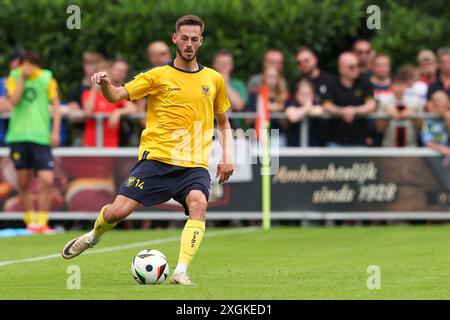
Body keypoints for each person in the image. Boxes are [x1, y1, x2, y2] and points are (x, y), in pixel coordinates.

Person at [61, 15, 234, 286]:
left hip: (193, 164)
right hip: (157, 160)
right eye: (184, 38)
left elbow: (223, 123)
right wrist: (105, 83)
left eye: (194, 39)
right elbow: (117, 96)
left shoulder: (213, 79)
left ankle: (181, 271)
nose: (189, 44)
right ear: (174, 38)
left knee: (199, 204)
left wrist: (226, 157)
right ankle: (92, 237)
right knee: (116, 213)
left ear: (201, 41)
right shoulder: (157, 75)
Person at [5, 51, 61, 232]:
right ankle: (30, 222)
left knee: (47, 179)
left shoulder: (47, 79)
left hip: (41, 137)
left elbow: (57, 107)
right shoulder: (13, 78)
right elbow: (14, 101)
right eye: (24, 64)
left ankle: (42, 222)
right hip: (18, 136)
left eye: (31, 64)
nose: (27, 67)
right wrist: (21, 77)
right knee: (23, 182)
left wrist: (55, 132)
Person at [322, 52, 376, 146]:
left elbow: (371, 104)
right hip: (336, 140)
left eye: (357, 65)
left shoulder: (364, 82)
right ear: (341, 69)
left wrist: (354, 111)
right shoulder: (331, 83)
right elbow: (327, 105)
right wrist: (342, 111)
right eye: (351, 67)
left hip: (359, 140)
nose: (356, 69)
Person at [292, 47, 335, 146]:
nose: (303, 64)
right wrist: (309, 108)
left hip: (327, 140)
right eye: (299, 62)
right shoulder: (294, 83)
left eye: (306, 60)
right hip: (298, 140)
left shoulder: (330, 80)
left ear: (315, 59)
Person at [376, 70, 423, 147]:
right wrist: (387, 113)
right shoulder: (384, 102)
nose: (400, 88)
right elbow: (379, 129)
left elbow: (420, 128)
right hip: (389, 147)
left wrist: (412, 113)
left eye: (402, 84)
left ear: (406, 86)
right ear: (391, 86)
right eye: (397, 84)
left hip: (410, 147)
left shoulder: (415, 102)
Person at [245, 66, 289, 146]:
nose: (271, 79)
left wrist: (275, 110)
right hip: (258, 136)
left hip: (277, 137)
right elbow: (247, 120)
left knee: (278, 159)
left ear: (279, 78)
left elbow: (286, 123)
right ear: (263, 78)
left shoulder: (284, 96)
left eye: (274, 76)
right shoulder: (254, 95)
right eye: (269, 76)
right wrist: (261, 108)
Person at [212, 50, 247, 130]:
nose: (224, 66)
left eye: (227, 64)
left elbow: (239, 106)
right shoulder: (208, 83)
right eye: (221, 63)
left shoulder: (238, 85)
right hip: (212, 128)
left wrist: (224, 83)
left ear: (232, 66)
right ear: (214, 65)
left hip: (235, 129)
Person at [285, 79, 324, 146]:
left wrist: (300, 112)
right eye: (302, 94)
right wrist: (307, 108)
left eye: (308, 94)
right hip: (295, 145)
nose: (305, 97)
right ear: (296, 95)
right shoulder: (291, 103)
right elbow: (293, 117)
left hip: (314, 145)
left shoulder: (316, 103)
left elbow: (319, 111)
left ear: (313, 95)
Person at [421, 91, 450, 156]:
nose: (441, 109)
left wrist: (448, 121)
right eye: (438, 106)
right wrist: (443, 149)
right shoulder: (428, 120)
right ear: (432, 106)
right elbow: (427, 142)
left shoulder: (448, 118)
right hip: (433, 153)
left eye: (444, 106)